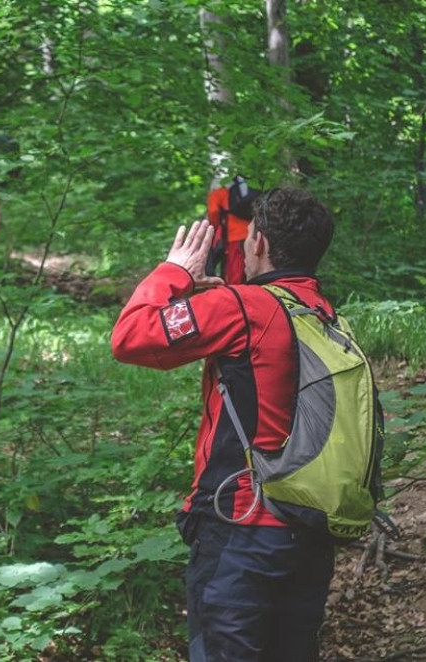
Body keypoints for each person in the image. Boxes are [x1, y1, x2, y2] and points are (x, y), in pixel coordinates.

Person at [111, 187, 337, 661]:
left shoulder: (244, 308)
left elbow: (131, 337)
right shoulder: (322, 313)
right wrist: (217, 299)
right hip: (309, 532)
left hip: (242, 532)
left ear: (257, 244)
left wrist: (174, 272)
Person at [205, 175, 260, 284]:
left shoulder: (218, 191)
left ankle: (236, 293)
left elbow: (213, 212)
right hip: (254, 233)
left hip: (234, 237)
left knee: (235, 270)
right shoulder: (247, 188)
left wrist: (213, 229)